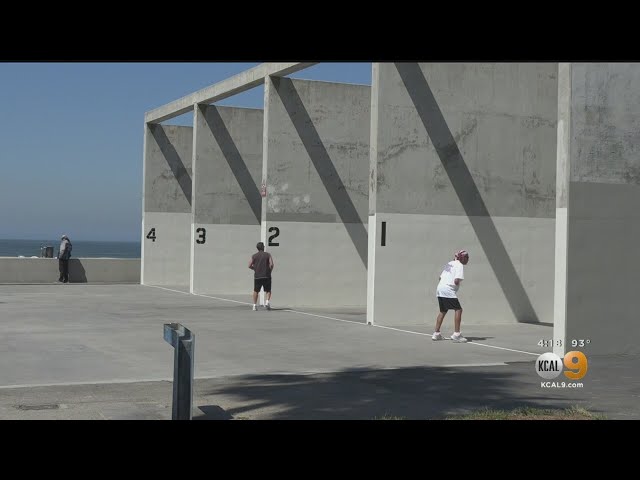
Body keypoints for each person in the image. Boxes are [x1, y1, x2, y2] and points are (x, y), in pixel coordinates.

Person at [432, 250, 469, 343]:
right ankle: (457, 334)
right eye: (466, 257)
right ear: (461, 258)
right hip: (448, 290)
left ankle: (436, 334)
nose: (467, 259)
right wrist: (457, 283)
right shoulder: (459, 265)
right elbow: (456, 281)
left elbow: (440, 277)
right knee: (458, 310)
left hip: (440, 288)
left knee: (443, 310)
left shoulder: (449, 263)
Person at [248, 241, 274, 311]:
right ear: (263, 247)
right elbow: (271, 264)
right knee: (268, 290)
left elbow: (249, 265)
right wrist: (269, 271)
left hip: (257, 276)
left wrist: (255, 269)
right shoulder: (268, 255)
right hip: (266, 275)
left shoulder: (254, 256)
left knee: (256, 291)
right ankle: (267, 302)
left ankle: (254, 305)